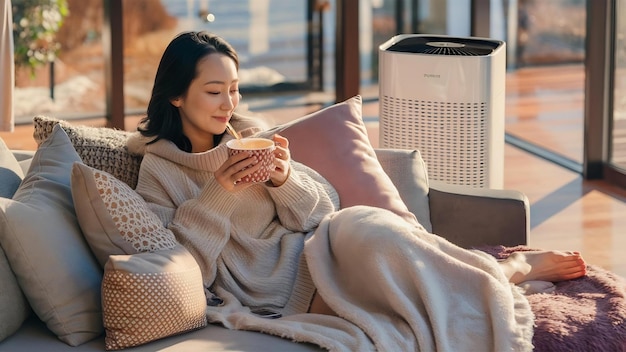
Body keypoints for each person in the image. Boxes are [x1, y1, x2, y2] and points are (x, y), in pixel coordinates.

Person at [129, 31, 587, 351]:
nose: (229, 105)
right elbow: (185, 266)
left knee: (366, 227)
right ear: (175, 95)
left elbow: (319, 210)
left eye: (234, 90)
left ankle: (506, 269)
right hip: (288, 292)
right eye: (214, 92)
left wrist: (285, 179)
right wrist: (220, 190)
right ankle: (507, 272)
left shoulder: (250, 137)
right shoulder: (158, 171)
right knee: (409, 294)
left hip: (328, 243)